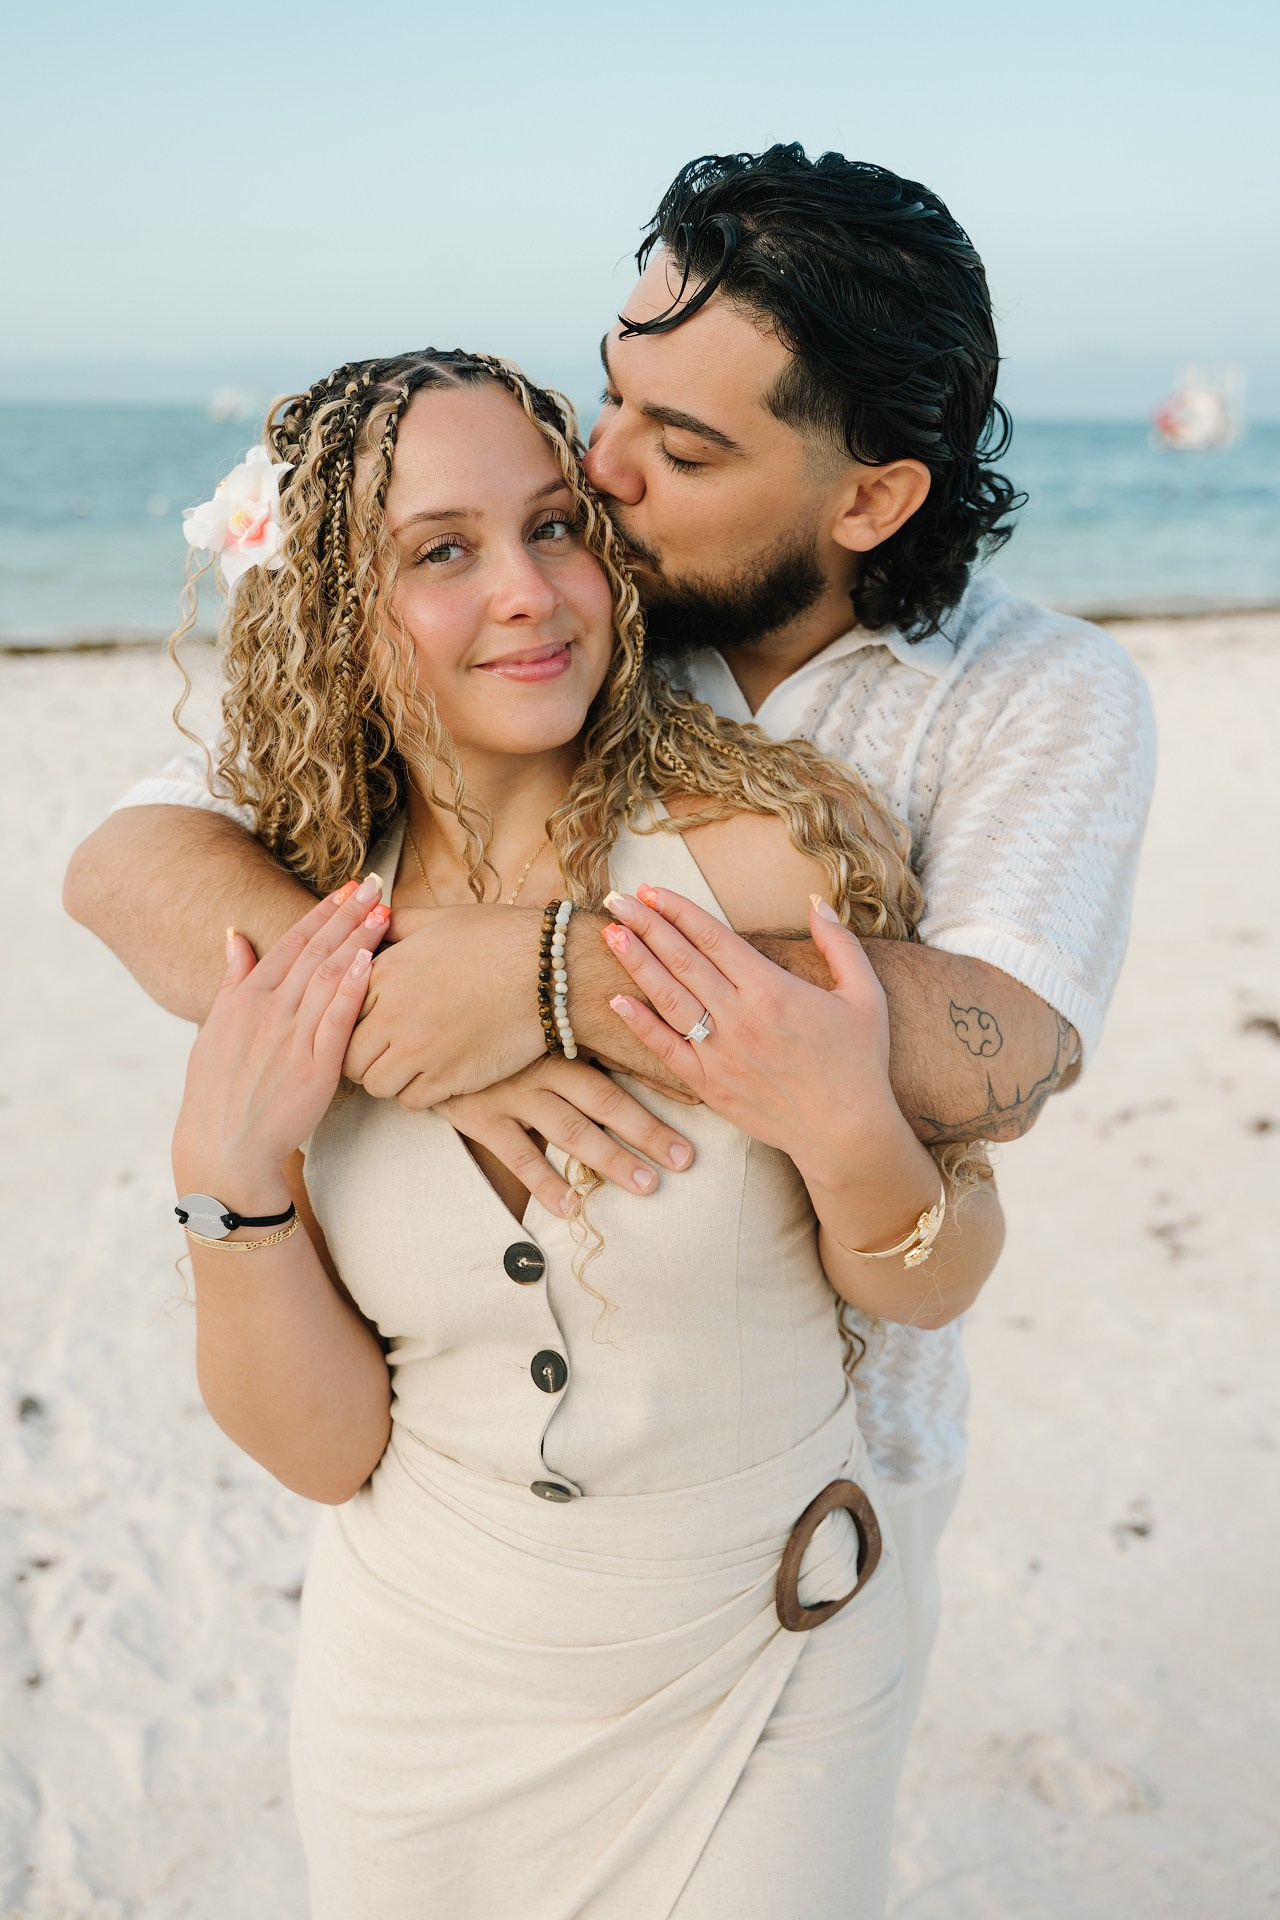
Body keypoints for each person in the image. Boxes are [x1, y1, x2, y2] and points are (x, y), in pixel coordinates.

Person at [64, 145, 1156, 1745]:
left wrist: (549, 978)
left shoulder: (1035, 696)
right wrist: (380, 1004)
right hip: (472, 1504)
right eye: (614, 398)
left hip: (823, 1482)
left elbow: (999, 1051)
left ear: (868, 496)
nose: (606, 469)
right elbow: (135, 857)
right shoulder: (568, 619)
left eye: (684, 444)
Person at [159, 347, 1002, 1917]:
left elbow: (941, 1270)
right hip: (412, 1698)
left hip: (769, 1651)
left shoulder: (760, 855)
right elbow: (326, 1447)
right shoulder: (302, 924)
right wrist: (230, 1186)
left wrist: (841, 1119)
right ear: (335, 606)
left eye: (556, 527)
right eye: (442, 552)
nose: (533, 591)